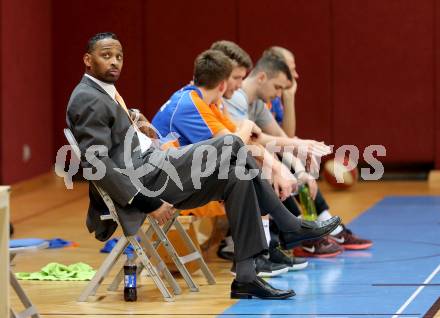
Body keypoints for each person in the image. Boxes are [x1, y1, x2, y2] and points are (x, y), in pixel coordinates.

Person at [66, 32, 341, 299]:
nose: (114, 61)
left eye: (119, 56)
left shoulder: (104, 93)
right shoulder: (86, 97)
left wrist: (136, 122)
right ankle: (289, 224)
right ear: (88, 60)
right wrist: (147, 201)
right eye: (106, 56)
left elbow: (116, 138)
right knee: (232, 144)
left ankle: (246, 277)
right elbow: (96, 163)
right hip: (146, 180)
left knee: (238, 175)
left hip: (156, 166)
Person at [152, 41, 308, 275]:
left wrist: (278, 165)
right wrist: (271, 159)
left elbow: (245, 141)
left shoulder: (208, 102)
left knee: (244, 171)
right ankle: (265, 245)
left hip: (182, 177)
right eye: (236, 78)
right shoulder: (191, 104)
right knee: (244, 172)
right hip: (169, 188)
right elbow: (237, 142)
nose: (239, 85)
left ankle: (261, 251)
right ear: (223, 81)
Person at [224, 51, 372, 257]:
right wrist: (288, 157)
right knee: (270, 164)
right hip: (224, 166)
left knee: (286, 162)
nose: (279, 93)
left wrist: (302, 171)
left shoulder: (257, 103)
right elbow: (249, 142)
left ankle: (308, 230)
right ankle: (297, 234)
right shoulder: (235, 99)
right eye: (279, 87)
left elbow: (280, 137)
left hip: (241, 160)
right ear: (262, 77)